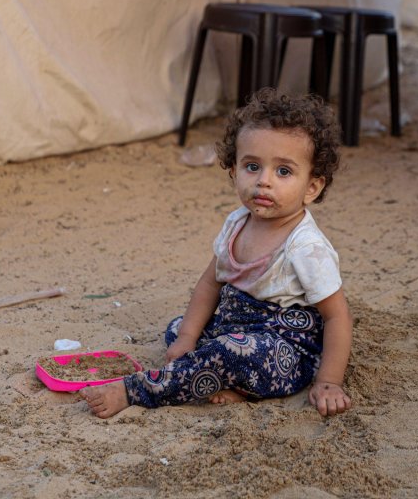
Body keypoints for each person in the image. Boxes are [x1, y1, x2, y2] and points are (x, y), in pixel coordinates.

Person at [82, 88, 352, 419]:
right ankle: (234, 385)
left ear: (312, 187)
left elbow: (336, 316)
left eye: (283, 171)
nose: (264, 181)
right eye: (252, 166)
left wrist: (329, 381)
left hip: (283, 353)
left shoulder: (305, 247)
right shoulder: (236, 224)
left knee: (232, 352)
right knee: (180, 328)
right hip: (235, 328)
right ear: (233, 171)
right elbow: (210, 284)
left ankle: (136, 390)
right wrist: (186, 338)